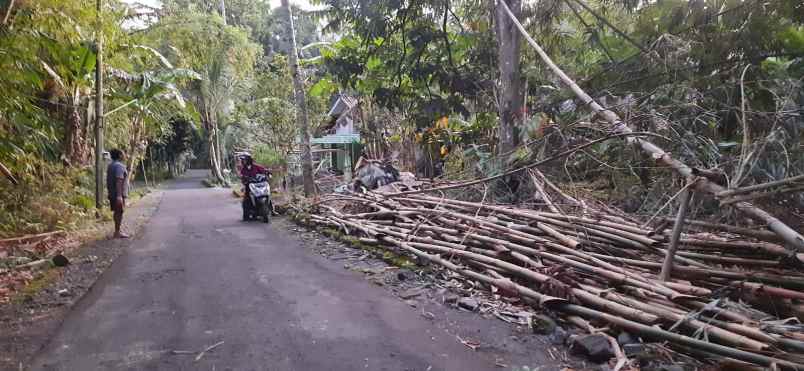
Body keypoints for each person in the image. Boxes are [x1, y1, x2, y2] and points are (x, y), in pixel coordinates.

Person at [239, 154, 275, 218]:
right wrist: (244, 179)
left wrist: (268, 173)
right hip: (250, 185)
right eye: (242, 160)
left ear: (248, 160)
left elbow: (264, 170)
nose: (243, 161)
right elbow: (242, 177)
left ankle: (272, 210)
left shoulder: (256, 166)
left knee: (267, 194)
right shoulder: (243, 169)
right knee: (247, 197)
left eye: (244, 160)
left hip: (260, 184)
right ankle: (247, 212)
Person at [107, 149, 129, 238]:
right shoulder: (120, 166)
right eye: (123, 153)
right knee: (119, 212)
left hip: (112, 193)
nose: (124, 155)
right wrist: (119, 196)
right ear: (119, 155)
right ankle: (117, 232)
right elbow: (119, 180)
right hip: (118, 194)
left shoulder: (111, 165)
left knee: (117, 212)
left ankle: (117, 230)